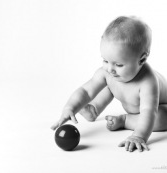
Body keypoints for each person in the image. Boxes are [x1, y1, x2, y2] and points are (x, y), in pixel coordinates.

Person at [51, 16, 167, 152]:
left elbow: (148, 111)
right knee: (109, 82)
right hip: (133, 103)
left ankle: (125, 120)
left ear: (141, 60)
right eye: (105, 60)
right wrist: (70, 107)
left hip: (158, 107)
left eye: (118, 64)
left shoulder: (148, 81)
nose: (110, 68)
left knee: (161, 118)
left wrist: (138, 136)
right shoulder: (109, 72)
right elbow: (86, 91)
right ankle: (94, 108)